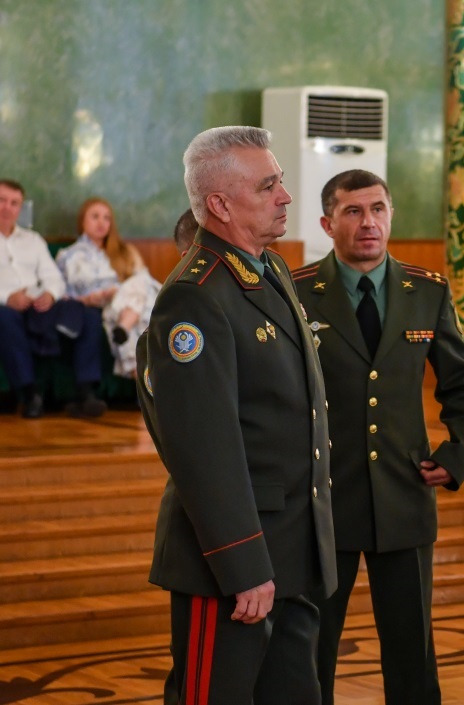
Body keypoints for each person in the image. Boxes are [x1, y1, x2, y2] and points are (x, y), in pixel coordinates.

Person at [135, 126, 337, 705]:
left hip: (290, 550)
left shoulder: (268, 270)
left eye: (280, 182)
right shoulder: (196, 295)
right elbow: (204, 449)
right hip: (233, 567)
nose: (286, 196)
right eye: (267, 186)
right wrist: (243, 564)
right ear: (220, 205)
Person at [292, 169, 464, 705]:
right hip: (324, 498)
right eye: (353, 212)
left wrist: (458, 455)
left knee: (411, 652)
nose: (368, 223)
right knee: (310, 649)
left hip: (404, 493)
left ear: (391, 216)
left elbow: (462, 387)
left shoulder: (426, 291)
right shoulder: (297, 291)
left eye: (377, 209)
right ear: (328, 224)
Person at [0, 179, 105, 418]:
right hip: (6, 307)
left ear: (20, 208)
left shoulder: (33, 240)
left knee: (88, 315)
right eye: (2, 200)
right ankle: (30, 394)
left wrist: (49, 294)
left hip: (39, 303)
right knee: (4, 317)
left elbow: (53, 277)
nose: (7, 207)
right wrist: (7, 297)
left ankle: (85, 392)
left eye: (14, 203)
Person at [56, 198, 161, 378]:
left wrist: (117, 291)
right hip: (98, 307)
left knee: (140, 283)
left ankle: (124, 331)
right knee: (138, 298)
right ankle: (144, 376)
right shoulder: (67, 256)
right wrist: (86, 299)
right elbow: (60, 294)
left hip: (125, 303)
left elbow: (145, 284)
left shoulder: (125, 252)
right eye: (95, 216)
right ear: (82, 221)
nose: (101, 222)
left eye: (106, 218)